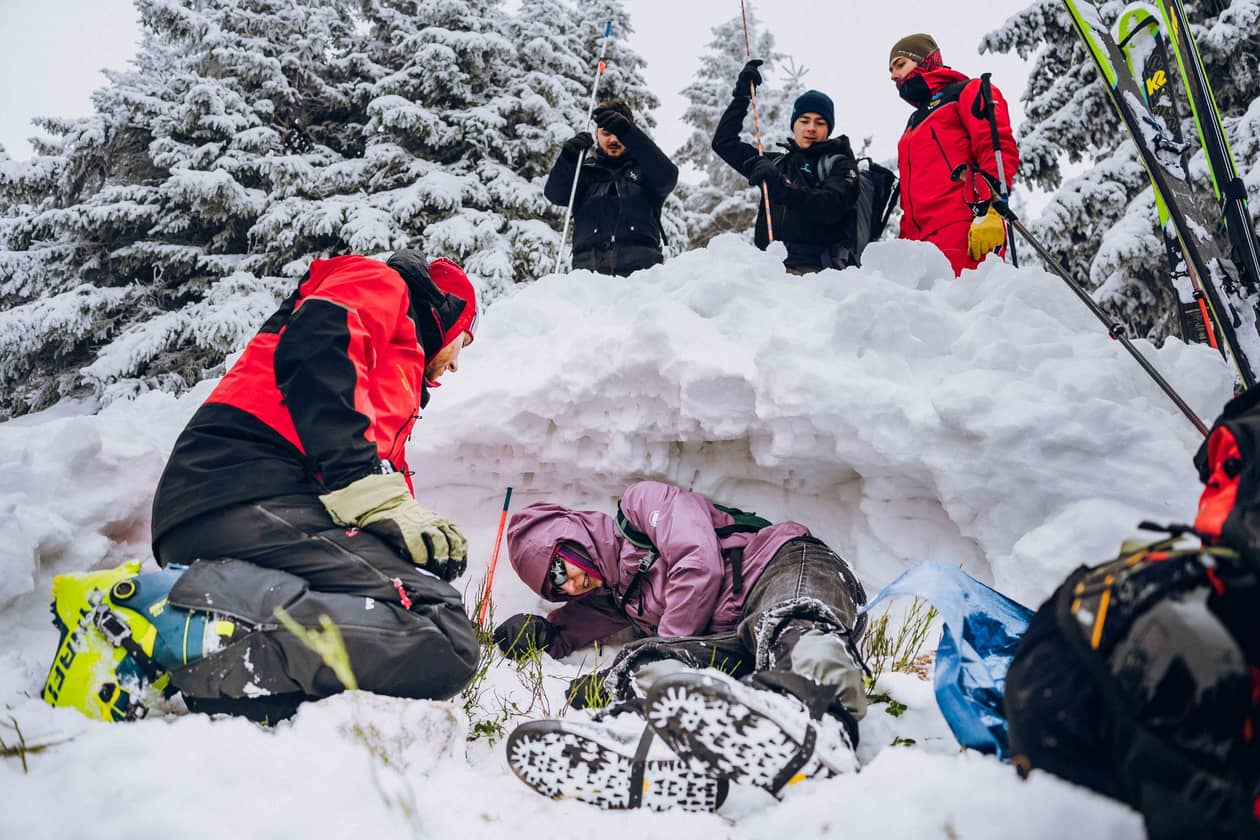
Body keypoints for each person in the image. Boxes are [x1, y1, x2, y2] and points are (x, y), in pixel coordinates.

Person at [80, 249, 481, 722]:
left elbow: (378, 497)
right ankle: (166, 613)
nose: (456, 364)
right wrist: (362, 483)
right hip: (244, 485)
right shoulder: (378, 282)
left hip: (241, 512)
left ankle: (208, 671)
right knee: (442, 628)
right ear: (448, 314)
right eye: (465, 341)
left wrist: (408, 552)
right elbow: (317, 344)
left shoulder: (387, 393)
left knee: (406, 621)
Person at [495, 480, 867, 811]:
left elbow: (699, 563)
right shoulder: (620, 598)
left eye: (560, 571)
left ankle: (821, 720)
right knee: (642, 662)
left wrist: (663, 645)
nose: (569, 588)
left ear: (570, 536)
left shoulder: (639, 507)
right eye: (555, 590)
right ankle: (658, 749)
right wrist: (542, 633)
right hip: (740, 639)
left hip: (780, 566)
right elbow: (572, 629)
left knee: (791, 624)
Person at [889, 33, 1020, 276]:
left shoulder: (966, 91)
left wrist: (991, 210)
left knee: (965, 310)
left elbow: (995, 144)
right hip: (917, 245)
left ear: (924, 61)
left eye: (900, 64)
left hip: (964, 228)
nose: (894, 76)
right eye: (892, 70)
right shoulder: (913, 122)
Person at [712, 60, 861, 273]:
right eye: (804, 120)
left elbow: (829, 206)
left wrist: (780, 185)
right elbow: (724, 143)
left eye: (820, 123)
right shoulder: (776, 163)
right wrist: (742, 97)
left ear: (829, 129)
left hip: (818, 273)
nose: (811, 128)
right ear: (794, 125)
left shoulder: (841, 165)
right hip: (770, 268)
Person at [544, 99, 679, 276]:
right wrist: (568, 158)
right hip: (589, 281)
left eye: (620, 134)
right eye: (607, 133)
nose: (614, 139)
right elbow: (555, 194)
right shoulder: (584, 173)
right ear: (597, 135)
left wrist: (630, 133)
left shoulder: (647, 171)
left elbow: (668, 177)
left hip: (642, 280)